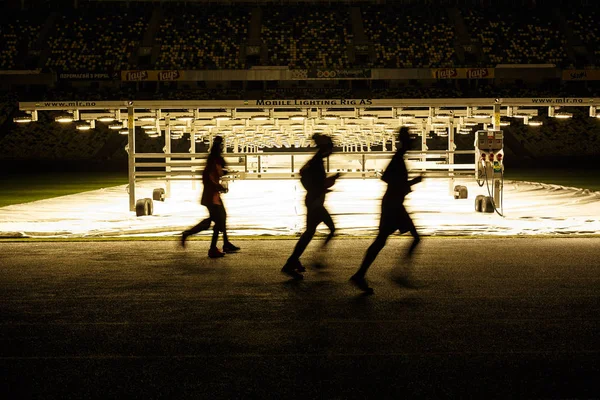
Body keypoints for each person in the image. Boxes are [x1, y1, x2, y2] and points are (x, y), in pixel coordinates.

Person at [350, 127, 422, 294]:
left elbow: (389, 179)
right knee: (412, 238)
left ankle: (361, 274)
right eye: (410, 141)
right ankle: (399, 273)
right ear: (405, 142)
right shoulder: (398, 159)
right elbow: (390, 180)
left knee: (381, 241)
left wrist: (409, 183)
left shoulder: (398, 158)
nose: (412, 144)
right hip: (394, 206)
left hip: (392, 204)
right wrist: (413, 182)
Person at [281, 134, 341, 279]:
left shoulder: (315, 161)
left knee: (309, 233)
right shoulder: (317, 162)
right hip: (315, 203)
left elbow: (305, 176)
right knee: (328, 230)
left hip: (313, 201)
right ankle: (314, 259)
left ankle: (294, 260)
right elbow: (318, 182)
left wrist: (319, 187)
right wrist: (330, 181)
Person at [181, 136, 240, 258]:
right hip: (211, 197)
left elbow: (217, 174)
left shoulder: (214, 160)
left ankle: (224, 243)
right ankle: (211, 247)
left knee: (221, 218)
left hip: (214, 197)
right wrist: (219, 186)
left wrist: (223, 177)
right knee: (216, 221)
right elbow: (210, 179)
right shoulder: (213, 162)